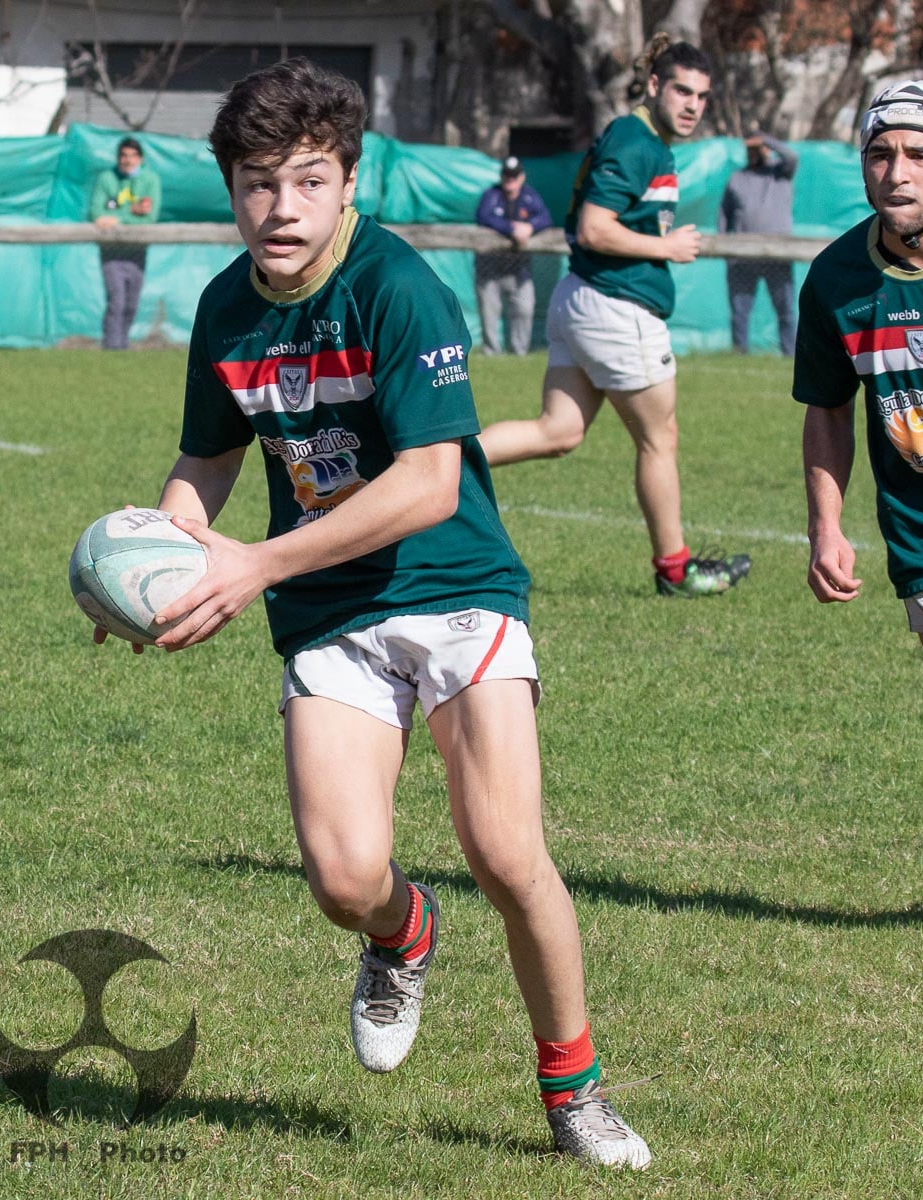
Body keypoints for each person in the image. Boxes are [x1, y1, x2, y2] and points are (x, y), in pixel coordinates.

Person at [99, 58, 652, 1169]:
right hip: (329, 609)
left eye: (308, 181)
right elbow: (206, 460)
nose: (282, 208)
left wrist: (255, 564)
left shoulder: (398, 288)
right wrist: (154, 565)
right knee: (346, 877)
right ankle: (405, 935)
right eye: (259, 183)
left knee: (504, 852)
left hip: (455, 589)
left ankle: (574, 1090)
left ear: (349, 183)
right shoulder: (225, 310)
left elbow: (431, 485)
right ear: (231, 190)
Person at [477, 36, 751, 599]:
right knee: (660, 438)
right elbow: (594, 228)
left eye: (702, 95)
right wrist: (665, 248)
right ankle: (677, 571)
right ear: (654, 85)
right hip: (614, 306)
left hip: (583, 297)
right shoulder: (637, 142)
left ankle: (432, 467)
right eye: (681, 90)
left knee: (558, 431)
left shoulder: (641, 139)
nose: (693, 104)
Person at [797, 80, 923, 757]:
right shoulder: (835, 278)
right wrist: (826, 526)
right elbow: (827, 408)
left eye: (919, 153)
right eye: (880, 153)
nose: (896, 173)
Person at [720, 131, 799, 355]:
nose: (754, 153)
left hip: (778, 253)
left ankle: (790, 355)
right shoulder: (737, 178)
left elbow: (792, 156)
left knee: (785, 310)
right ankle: (739, 355)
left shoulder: (780, 173)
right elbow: (724, 215)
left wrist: (767, 140)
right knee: (740, 310)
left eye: (758, 149)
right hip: (744, 255)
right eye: (750, 149)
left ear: (767, 149)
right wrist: (726, 249)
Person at [474, 156, 553, 355]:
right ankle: (491, 353)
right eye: (507, 175)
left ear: (522, 177)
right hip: (490, 267)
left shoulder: (529, 196)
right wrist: (510, 228)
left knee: (524, 309)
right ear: (501, 176)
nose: (510, 179)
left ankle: (520, 352)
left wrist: (530, 227)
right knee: (489, 312)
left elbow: (546, 218)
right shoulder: (491, 195)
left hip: (519, 269)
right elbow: (483, 216)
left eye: (514, 175)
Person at [88, 137, 161, 350]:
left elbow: (150, 217)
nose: (127, 160)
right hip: (111, 251)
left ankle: (123, 348)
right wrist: (132, 211)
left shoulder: (150, 180)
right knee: (116, 302)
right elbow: (96, 213)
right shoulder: (106, 178)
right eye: (123, 155)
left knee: (131, 304)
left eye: (132, 156)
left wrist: (117, 216)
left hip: (137, 251)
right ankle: (112, 350)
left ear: (140, 158)